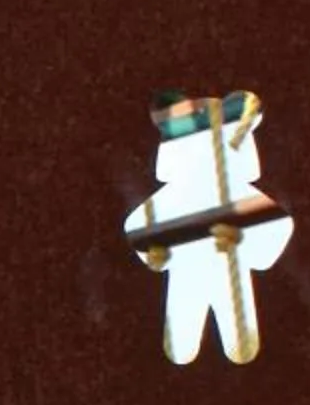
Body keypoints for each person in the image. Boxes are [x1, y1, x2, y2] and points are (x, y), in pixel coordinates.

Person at [125, 91, 291, 365]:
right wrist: (156, 253)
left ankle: (235, 350)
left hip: (229, 275)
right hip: (187, 274)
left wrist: (242, 241)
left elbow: (277, 227)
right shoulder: (172, 199)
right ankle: (184, 350)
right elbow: (139, 227)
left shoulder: (243, 198)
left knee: (238, 333)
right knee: (182, 334)